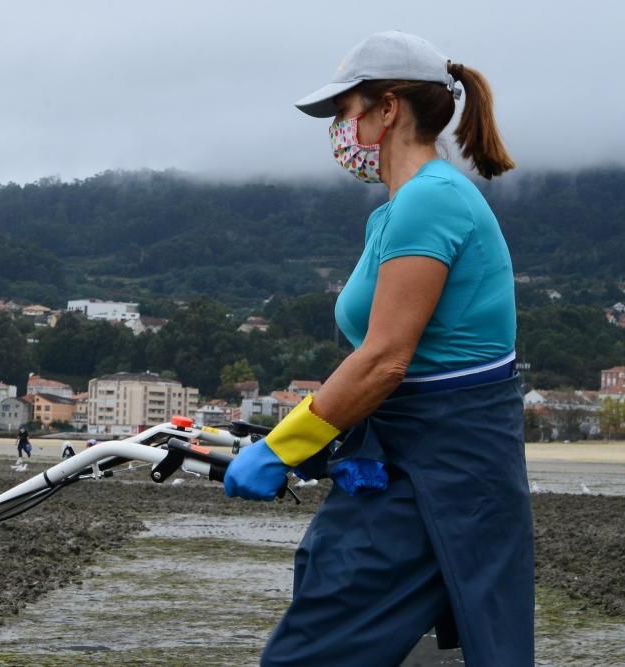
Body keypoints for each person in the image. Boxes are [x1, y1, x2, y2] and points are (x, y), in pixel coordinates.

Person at [224, 32, 531, 667]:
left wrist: (284, 447)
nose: (339, 127)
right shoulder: (391, 216)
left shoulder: (432, 201)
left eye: (344, 111)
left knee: (311, 651)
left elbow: (387, 358)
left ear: (387, 110)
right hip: (400, 460)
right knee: (323, 577)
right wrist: (318, 437)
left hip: (443, 479)